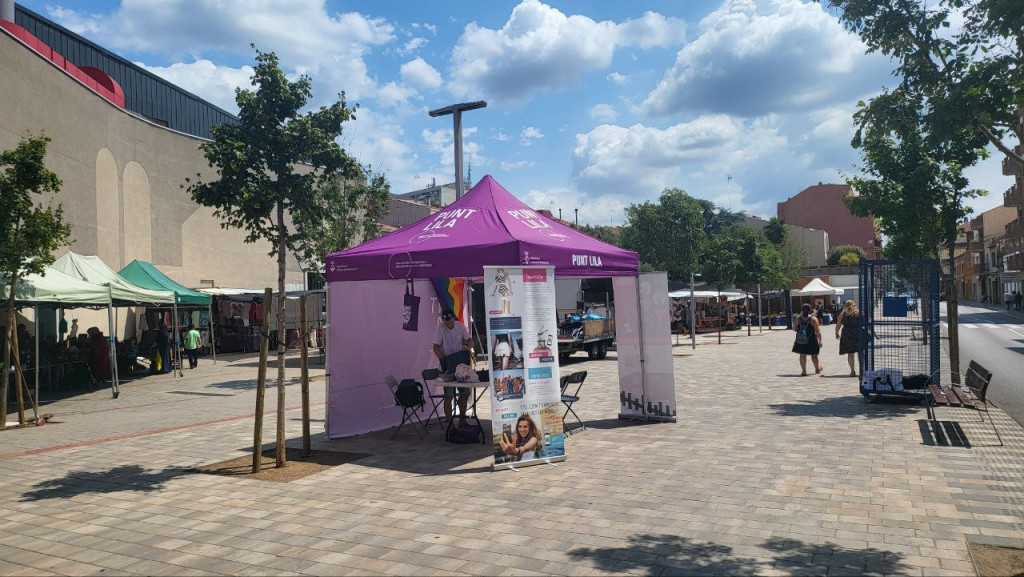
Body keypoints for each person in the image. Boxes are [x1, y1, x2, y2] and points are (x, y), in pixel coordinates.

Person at [433, 309, 473, 428]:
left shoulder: (460, 326)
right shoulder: (440, 328)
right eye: (445, 322)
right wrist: (444, 362)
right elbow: (435, 348)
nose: (448, 324)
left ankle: (462, 419)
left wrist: (466, 345)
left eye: (450, 321)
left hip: (461, 367)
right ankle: (450, 424)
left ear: (453, 318)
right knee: (449, 396)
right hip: (447, 367)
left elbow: (470, 341)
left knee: (465, 393)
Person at [792, 303, 823, 376]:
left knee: (802, 355)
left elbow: (794, 328)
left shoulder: (798, 318)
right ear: (810, 310)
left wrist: (800, 331)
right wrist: (820, 341)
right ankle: (817, 369)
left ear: (802, 310)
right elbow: (817, 331)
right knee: (814, 355)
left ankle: (804, 371)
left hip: (800, 340)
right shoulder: (813, 319)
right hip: (811, 339)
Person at [835, 300, 861, 377]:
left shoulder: (842, 314)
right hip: (857, 334)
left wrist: (836, 333)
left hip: (847, 334)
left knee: (850, 354)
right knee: (860, 353)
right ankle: (862, 370)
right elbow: (864, 323)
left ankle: (852, 371)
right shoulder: (859, 313)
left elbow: (838, 324)